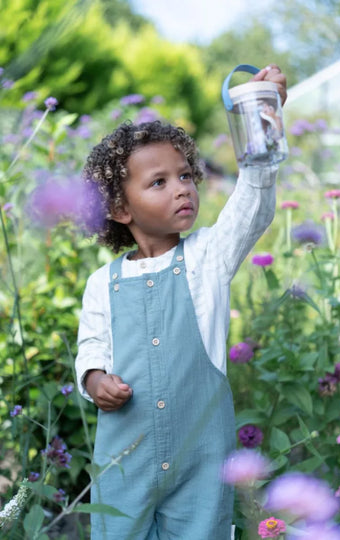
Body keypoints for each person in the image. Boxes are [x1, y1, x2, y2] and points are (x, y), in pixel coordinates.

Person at [75, 64, 287, 540]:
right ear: (119, 209)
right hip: (125, 464)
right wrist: (93, 378)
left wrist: (262, 118)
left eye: (186, 175)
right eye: (159, 182)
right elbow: (91, 346)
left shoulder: (207, 258)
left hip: (201, 466)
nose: (183, 187)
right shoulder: (100, 283)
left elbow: (253, 202)